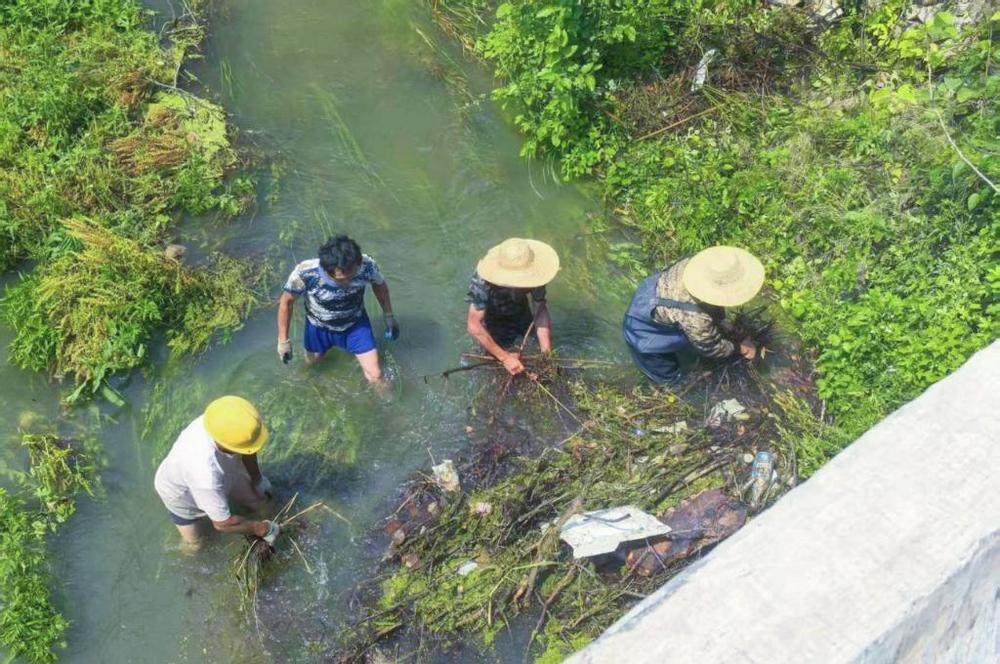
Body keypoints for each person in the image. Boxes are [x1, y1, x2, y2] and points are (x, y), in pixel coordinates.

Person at [623, 245, 764, 384]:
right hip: (643, 335)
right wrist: (742, 349)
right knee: (669, 379)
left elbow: (709, 305)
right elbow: (711, 348)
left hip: (650, 294)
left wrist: (723, 323)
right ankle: (670, 383)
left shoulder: (695, 264)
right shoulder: (696, 319)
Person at [154, 396, 278, 549]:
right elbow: (222, 524)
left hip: (222, 473)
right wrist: (262, 529)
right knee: (196, 545)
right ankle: (190, 551)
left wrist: (257, 479)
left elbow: (250, 449)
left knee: (260, 502)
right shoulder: (206, 476)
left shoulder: (220, 419)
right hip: (180, 495)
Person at [277, 235, 397, 384]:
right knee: (311, 367)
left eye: (352, 276)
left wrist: (389, 316)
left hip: (355, 325)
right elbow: (286, 302)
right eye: (341, 279)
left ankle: (385, 398)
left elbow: (380, 286)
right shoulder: (305, 273)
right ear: (327, 270)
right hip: (318, 328)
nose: (347, 282)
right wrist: (283, 341)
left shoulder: (366, 265)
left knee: (376, 375)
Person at [466, 238, 559, 376]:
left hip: (521, 311)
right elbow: (474, 325)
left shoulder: (537, 274)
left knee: (533, 349)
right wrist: (505, 358)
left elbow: (540, 309)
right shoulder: (483, 280)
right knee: (495, 367)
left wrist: (546, 355)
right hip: (493, 318)